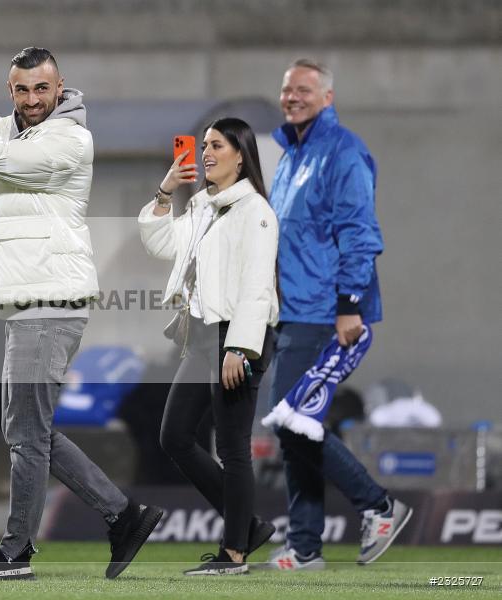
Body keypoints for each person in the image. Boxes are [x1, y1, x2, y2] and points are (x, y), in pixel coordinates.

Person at [0, 31, 163, 581]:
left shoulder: (68, 140)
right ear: (9, 91)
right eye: (20, 90)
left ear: (61, 88)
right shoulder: (8, 131)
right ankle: (124, 516)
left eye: (41, 88)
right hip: (29, 305)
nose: (32, 99)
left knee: (25, 434)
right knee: (27, 430)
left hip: (49, 303)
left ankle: (17, 552)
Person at [266, 58, 411, 570]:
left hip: (324, 310)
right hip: (291, 310)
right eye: (288, 90)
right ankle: (305, 547)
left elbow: (360, 232)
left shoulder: (343, 151)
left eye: (304, 89)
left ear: (328, 97)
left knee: (292, 422)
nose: (293, 97)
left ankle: (379, 505)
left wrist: (349, 304)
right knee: (294, 431)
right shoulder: (291, 154)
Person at [138, 118, 279, 575]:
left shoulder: (255, 211)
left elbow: (258, 287)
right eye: (204, 146)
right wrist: (164, 192)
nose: (206, 153)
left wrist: (239, 349)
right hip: (202, 335)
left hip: (236, 337)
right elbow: (160, 245)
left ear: (241, 155)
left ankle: (233, 552)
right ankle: (247, 526)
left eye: (217, 146)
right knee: (174, 435)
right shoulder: (201, 204)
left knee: (233, 447)